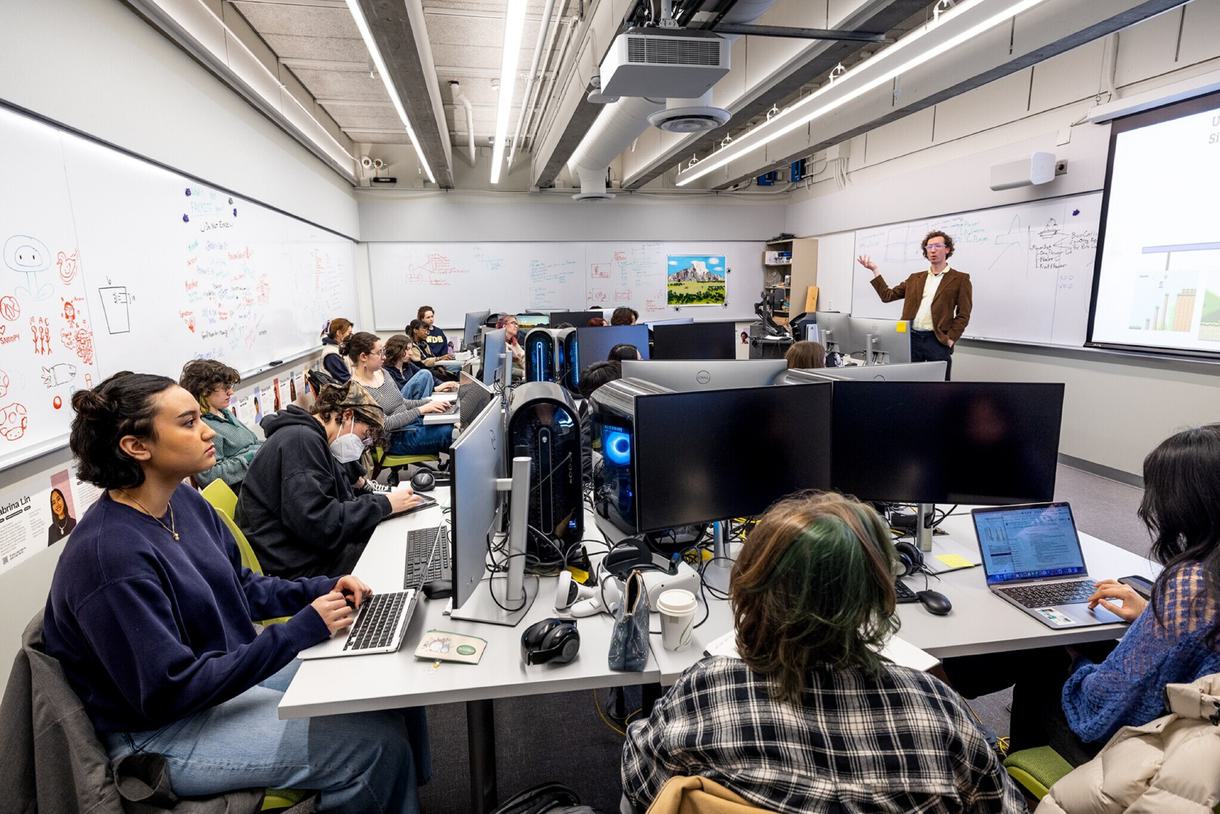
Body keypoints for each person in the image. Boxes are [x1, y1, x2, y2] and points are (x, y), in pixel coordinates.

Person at [42, 371, 429, 811]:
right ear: (136, 446)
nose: (208, 430)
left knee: (384, 685)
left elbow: (241, 587)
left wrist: (322, 589)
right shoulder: (110, 557)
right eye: (189, 423)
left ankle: (399, 795)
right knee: (371, 747)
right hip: (161, 730)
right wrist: (300, 630)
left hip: (216, 675)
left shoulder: (183, 502)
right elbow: (170, 690)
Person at [621, 491, 1023, 813]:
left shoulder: (706, 692)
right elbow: (1002, 804)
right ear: (877, 594)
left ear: (751, 590)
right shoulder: (939, 713)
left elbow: (640, 786)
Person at [944, 423, 1220, 766]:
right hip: (1197, 736)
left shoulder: (1192, 587)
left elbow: (1101, 710)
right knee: (1079, 643)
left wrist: (1077, 658)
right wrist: (1151, 614)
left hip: (1138, 748)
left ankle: (1010, 764)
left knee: (1046, 653)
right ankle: (959, 684)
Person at [238, 380, 421, 579]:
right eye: (364, 436)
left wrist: (381, 502)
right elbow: (319, 524)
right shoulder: (301, 442)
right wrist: (384, 505)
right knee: (393, 554)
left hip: (297, 545)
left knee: (389, 537)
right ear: (348, 415)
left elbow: (337, 496)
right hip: (293, 562)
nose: (362, 444)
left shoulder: (310, 437)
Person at [857, 230, 972, 379]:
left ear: (947, 249)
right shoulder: (915, 278)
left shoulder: (960, 279)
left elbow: (964, 314)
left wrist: (950, 339)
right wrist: (875, 270)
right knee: (909, 382)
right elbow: (887, 296)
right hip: (911, 339)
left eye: (937, 246)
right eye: (929, 247)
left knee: (939, 386)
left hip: (937, 340)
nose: (933, 250)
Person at [346, 332, 454, 458]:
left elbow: (402, 402)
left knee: (454, 428)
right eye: (379, 352)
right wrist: (421, 410)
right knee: (450, 433)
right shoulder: (356, 389)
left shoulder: (383, 373)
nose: (384, 357)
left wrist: (430, 403)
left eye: (383, 351)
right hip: (393, 439)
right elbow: (386, 424)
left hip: (410, 426)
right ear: (363, 357)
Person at [179, 359, 261, 491]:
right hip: (246, 489)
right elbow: (209, 476)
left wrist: (268, 448)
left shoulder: (224, 412)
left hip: (258, 475)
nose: (231, 392)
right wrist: (250, 457)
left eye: (230, 386)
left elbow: (254, 442)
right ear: (204, 390)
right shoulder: (202, 427)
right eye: (225, 388)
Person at [384, 333, 457, 401]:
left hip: (414, 401)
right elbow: (401, 392)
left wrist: (445, 385)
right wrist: (436, 389)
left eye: (411, 349)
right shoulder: (386, 371)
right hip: (402, 402)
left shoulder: (408, 365)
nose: (411, 353)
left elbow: (431, 378)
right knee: (425, 373)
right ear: (397, 350)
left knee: (427, 374)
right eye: (407, 349)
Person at [320, 317, 354, 383]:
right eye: (349, 333)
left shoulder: (339, 347)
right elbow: (346, 380)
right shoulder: (331, 355)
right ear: (338, 333)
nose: (351, 335)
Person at [498, 314, 526, 379]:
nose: (516, 326)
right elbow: (505, 368)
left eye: (516, 324)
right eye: (513, 323)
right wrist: (524, 373)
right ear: (504, 326)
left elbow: (524, 358)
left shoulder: (514, 342)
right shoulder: (499, 343)